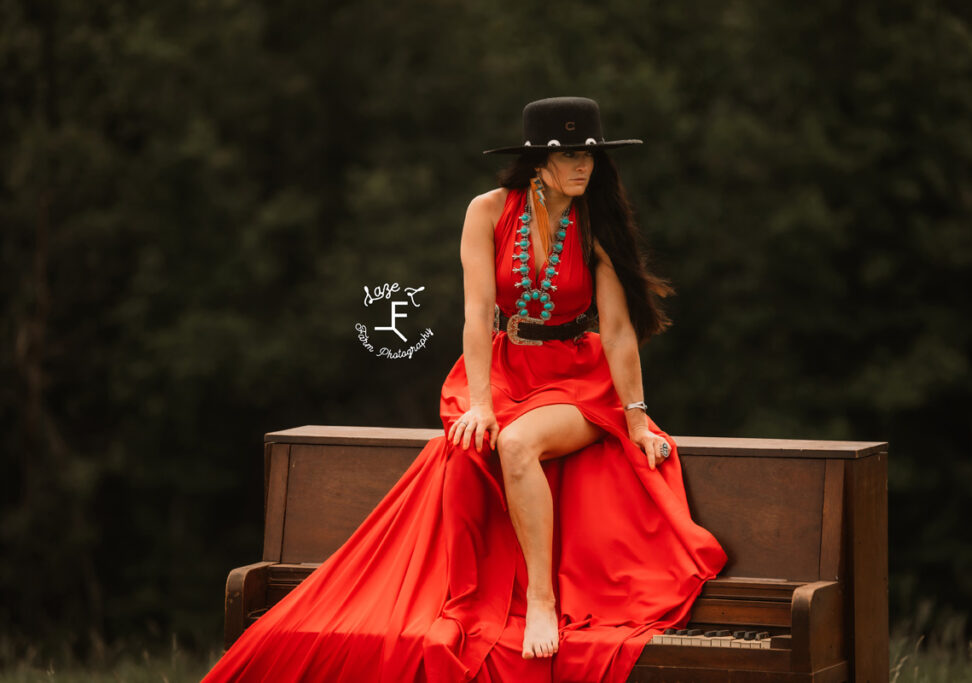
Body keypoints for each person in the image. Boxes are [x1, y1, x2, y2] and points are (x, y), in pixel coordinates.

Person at [201, 97, 726, 683]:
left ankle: (542, 604)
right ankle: (457, 594)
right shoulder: (487, 212)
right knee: (470, 444)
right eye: (572, 155)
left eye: (592, 155)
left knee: (518, 445)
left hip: (579, 376)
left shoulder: (597, 222)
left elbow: (621, 330)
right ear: (538, 161)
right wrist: (481, 401)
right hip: (503, 370)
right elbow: (477, 315)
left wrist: (634, 417)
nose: (585, 166)